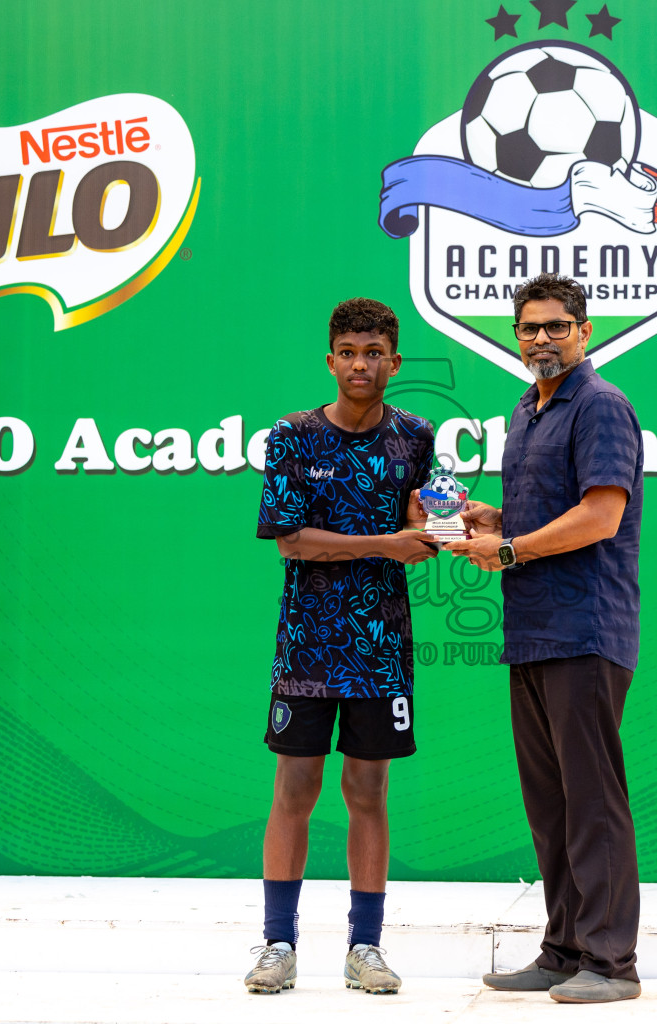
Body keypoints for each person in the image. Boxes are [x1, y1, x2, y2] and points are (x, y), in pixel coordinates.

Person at [447, 273, 645, 1003]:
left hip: (586, 630)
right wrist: (491, 520)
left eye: (557, 326)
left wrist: (508, 551)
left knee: (591, 800)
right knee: (551, 803)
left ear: (585, 331)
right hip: (531, 631)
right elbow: (542, 514)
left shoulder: (600, 406)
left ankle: (611, 962)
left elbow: (599, 516)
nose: (541, 339)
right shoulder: (526, 412)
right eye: (530, 327)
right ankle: (563, 951)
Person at [246, 297, 439, 996]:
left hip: (381, 647)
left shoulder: (416, 435)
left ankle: (366, 947)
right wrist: (386, 543)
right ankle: (277, 944)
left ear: (394, 361)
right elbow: (291, 541)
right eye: (349, 353)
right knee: (294, 789)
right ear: (332, 361)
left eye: (375, 353)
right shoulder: (293, 435)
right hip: (306, 647)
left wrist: (441, 524)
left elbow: (427, 517)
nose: (362, 365)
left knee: (369, 791)